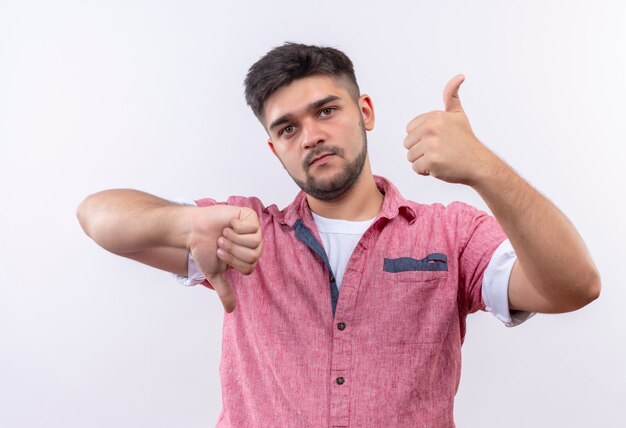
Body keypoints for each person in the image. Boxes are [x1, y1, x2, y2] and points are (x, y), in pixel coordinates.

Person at [77, 42, 600, 427]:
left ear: (364, 112)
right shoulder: (239, 234)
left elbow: (574, 285)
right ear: (274, 148)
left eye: (326, 110)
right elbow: (96, 216)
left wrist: (485, 168)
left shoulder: (450, 233)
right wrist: (182, 222)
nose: (312, 136)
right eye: (287, 128)